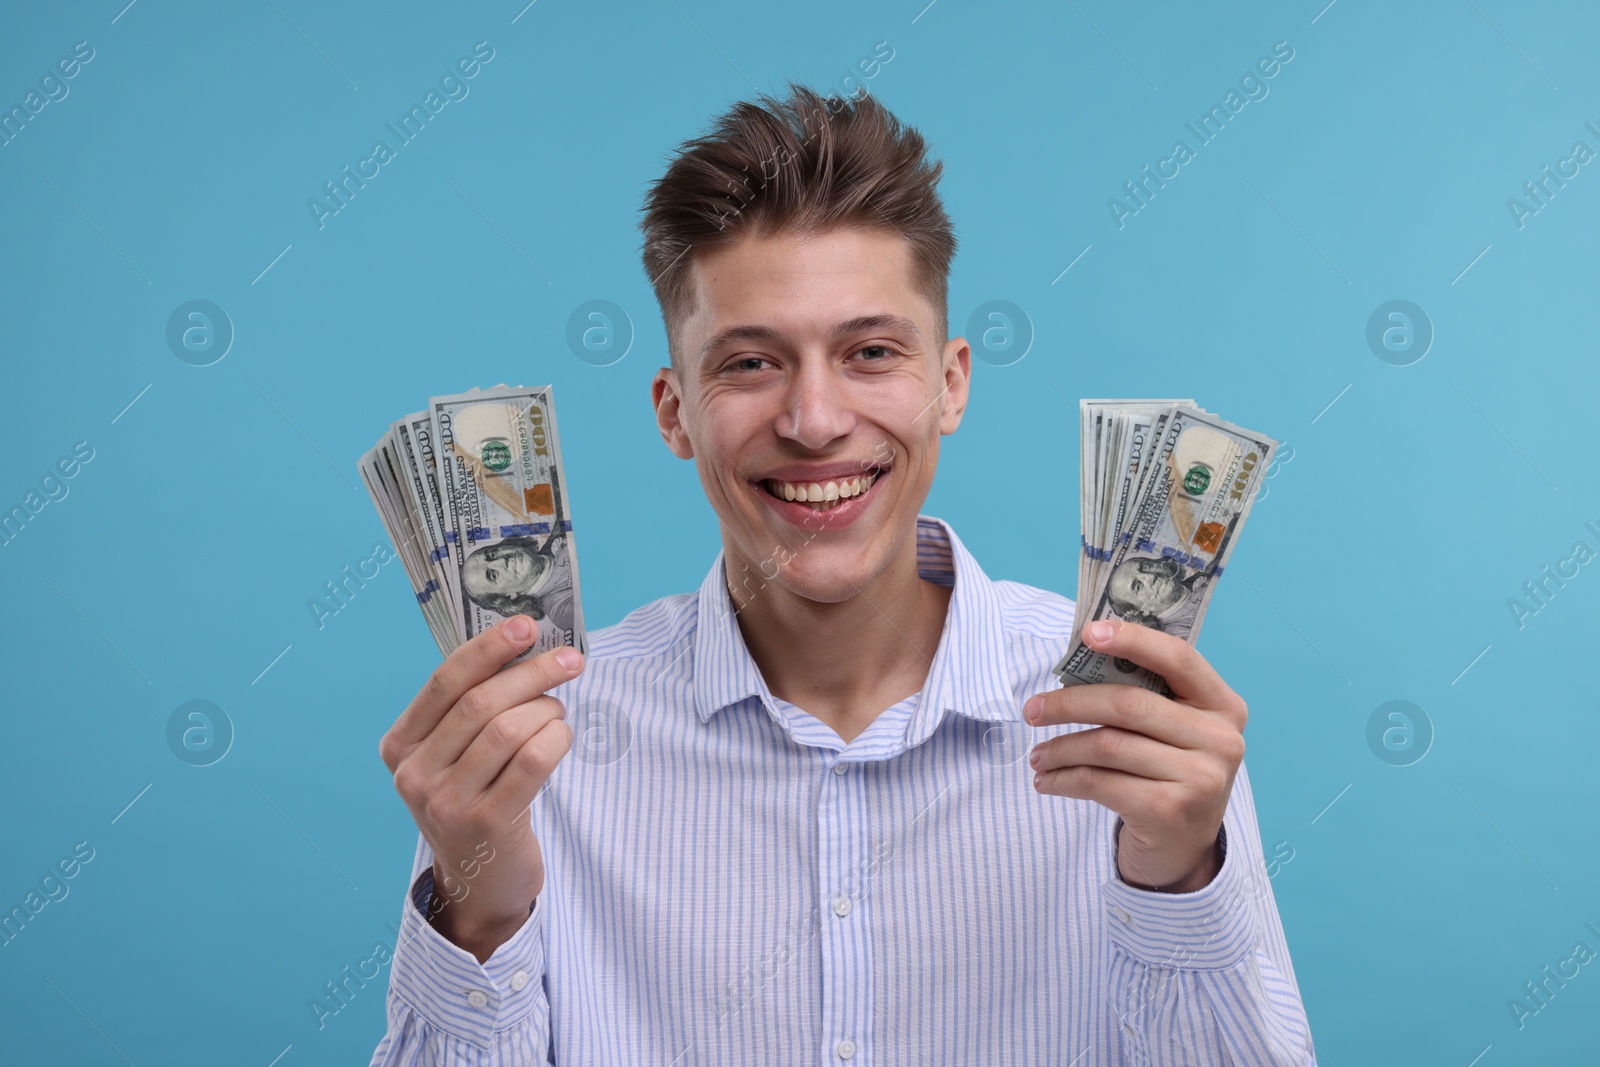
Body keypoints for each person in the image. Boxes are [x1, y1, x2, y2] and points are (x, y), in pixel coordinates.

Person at [369, 82, 1315, 1065]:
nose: (814, 420)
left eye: (870, 351)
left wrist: (1177, 888)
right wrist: (476, 906)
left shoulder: (1131, 728)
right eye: (747, 363)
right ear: (673, 410)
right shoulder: (532, 747)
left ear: (949, 383)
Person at [461, 532, 576, 634]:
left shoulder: (559, 530)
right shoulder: (561, 609)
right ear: (509, 596)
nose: (502, 561)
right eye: (493, 575)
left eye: (492, 555)